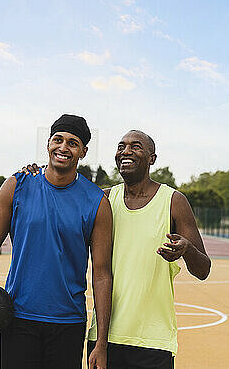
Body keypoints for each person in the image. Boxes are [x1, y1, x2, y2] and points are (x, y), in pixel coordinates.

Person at [0, 114, 113, 369]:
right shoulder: (17, 185)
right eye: (58, 140)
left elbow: (101, 274)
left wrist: (101, 342)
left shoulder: (96, 202)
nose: (63, 147)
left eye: (73, 143)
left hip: (68, 323)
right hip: (18, 318)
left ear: (83, 152)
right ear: (47, 143)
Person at [86, 130, 211, 368]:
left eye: (136, 146)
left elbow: (203, 269)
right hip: (104, 339)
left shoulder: (173, 201)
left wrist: (187, 250)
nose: (126, 151)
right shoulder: (103, 200)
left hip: (153, 341)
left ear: (152, 158)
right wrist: (37, 174)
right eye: (121, 146)